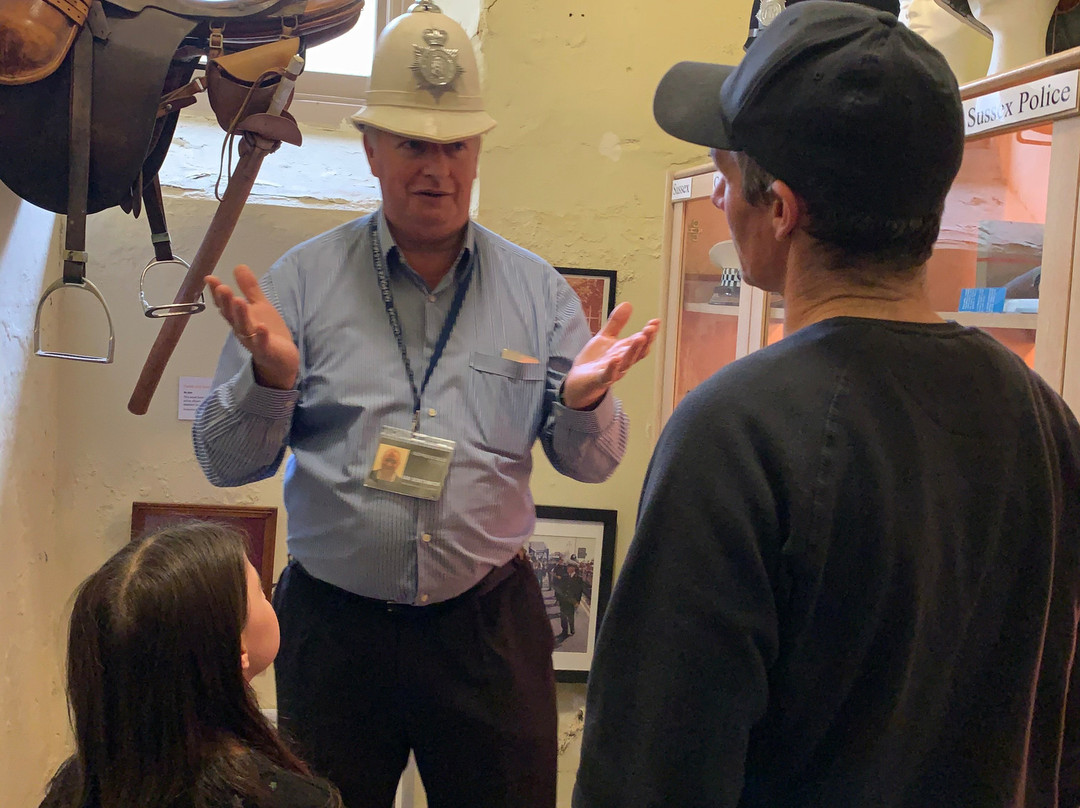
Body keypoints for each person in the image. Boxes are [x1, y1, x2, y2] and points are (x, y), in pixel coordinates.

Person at [574, 4, 1080, 807]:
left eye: (727, 170)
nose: (714, 194)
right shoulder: (1045, 421)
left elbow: (650, 769)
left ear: (782, 209)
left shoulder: (733, 436)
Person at [192, 3, 659, 807]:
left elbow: (595, 463)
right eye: (413, 144)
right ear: (371, 149)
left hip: (488, 629)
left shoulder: (538, 293)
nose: (435, 168)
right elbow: (223, 460)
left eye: (455, 146)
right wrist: (271, 383)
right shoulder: (300, 283)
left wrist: (583, 404)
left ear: (477, 153)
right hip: (334, 631)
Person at [38, 522, 341, 808]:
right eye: (260, 591)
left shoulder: (74, 787)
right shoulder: (296, 799)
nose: (269, 595)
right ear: (236, 650)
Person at [554, 562, 586, 639]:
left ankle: (572, 628)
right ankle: (564, 631)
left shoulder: (578, 578)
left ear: (573, 568)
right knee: (563, 616)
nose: (567, 568)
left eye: (569, 567)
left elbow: (579, 591)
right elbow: (559, 589)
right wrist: (558, 599)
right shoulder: (564, 577)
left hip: (572, 601)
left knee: (570, 616)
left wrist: (577, 602)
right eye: (567, 567)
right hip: (563, 600)